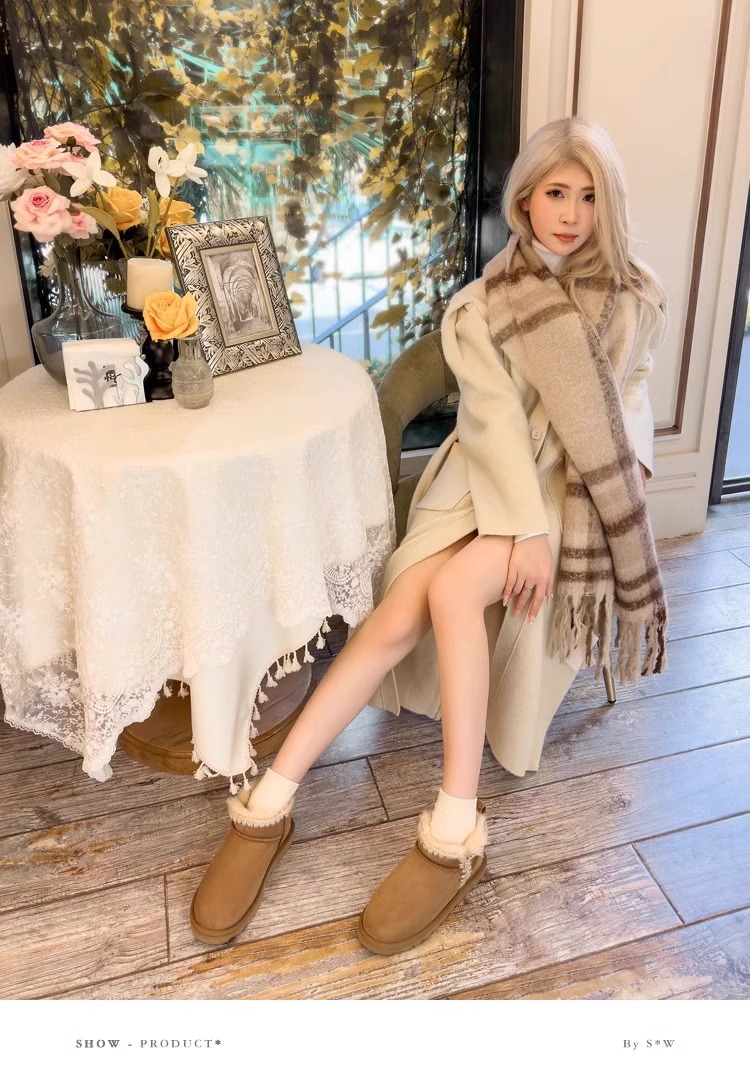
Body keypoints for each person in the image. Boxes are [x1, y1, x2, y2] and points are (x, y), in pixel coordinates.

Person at [190, 116, 670, 956]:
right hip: (485, 483)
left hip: (570, 495)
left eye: (590, 196)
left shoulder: (636, 298)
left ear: (611, 203)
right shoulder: (487, 301)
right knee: (399, 613)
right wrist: (518, 527)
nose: (571, 214)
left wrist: (590, 499)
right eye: (556, 192)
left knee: (451, 592)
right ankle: (269, 802)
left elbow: (632, 403)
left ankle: (456, 828)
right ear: (525, 199)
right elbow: (489, 422)